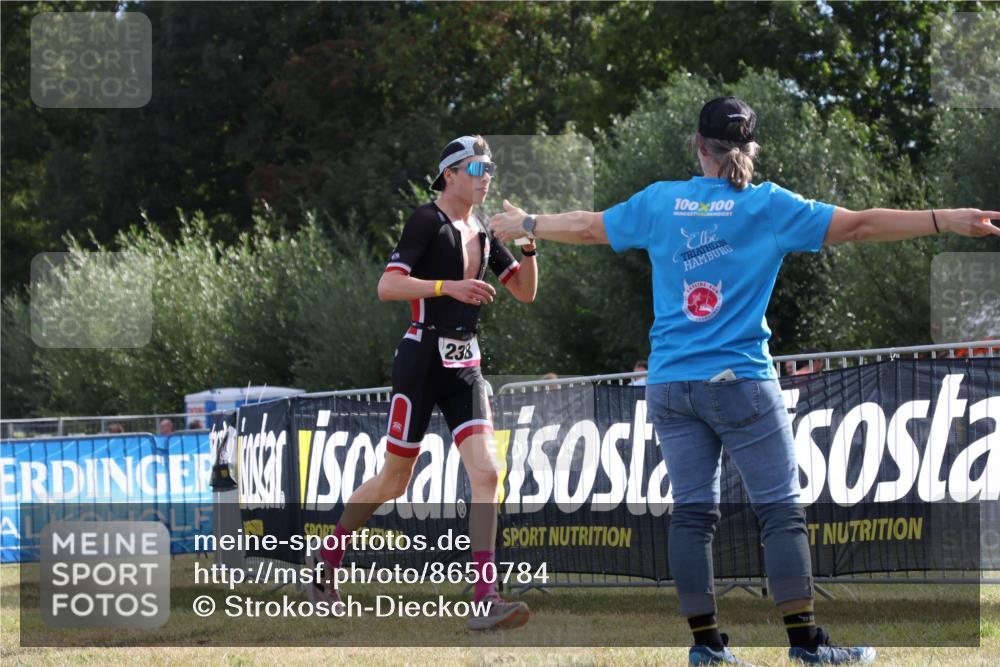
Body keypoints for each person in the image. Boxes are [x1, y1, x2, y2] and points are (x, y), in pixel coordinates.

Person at [490, 96, 999, 664]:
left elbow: (587, 228)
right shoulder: (768, 206)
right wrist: (943, 218)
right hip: (741, 382)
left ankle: (707, 647)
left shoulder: (661, 201)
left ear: (698, 145)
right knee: (779, 512)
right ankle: (806, 644)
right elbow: (859, 225)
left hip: (670, 383)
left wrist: (528, 223)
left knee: (693, 515)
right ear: (751, 149)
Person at [313, 135, 539, 631]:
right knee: (394, 481)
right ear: (449, 175)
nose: (486, 177)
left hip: (466, 365)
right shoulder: (426, 220)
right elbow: (387, 286)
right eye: (477, 168)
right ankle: (328, 557)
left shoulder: (484, 228)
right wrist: (447, 287)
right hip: (421, 359)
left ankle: (486, 598)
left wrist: (528, 242)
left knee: (488, 474)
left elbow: (524, 292)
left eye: (490, 169)